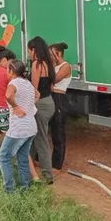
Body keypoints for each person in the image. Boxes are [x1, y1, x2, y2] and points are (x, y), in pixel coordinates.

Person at [0, 60, 39, 192]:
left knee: (3, 157)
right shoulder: (28, 83)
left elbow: (8, 95)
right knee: (22, 157)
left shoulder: (14, 82)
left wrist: (16, 106)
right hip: (31, 126)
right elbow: (38, 94)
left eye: (7, 70)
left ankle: (9, 190)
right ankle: (24, 188)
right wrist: (28, 105)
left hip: (19, 128)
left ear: (12, 71)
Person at [27, 36, 56, 184]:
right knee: (33, 138)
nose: (27, 53)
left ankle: (47, 175)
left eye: (28, 50)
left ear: (34, 50)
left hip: (40, 104)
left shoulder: (36, 65)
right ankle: (26, 167)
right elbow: (51, 87)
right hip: (49, 102)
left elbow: (34, 89)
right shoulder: (48, 64)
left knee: (40, 140)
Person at [49, 42, 72, 171]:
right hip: (51, 96)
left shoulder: (65, 66)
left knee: (58, 131)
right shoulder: (53, 65)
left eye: (51, 53)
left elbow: (53, 80)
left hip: (59, 98)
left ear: (58, 54)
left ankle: (57, 163)